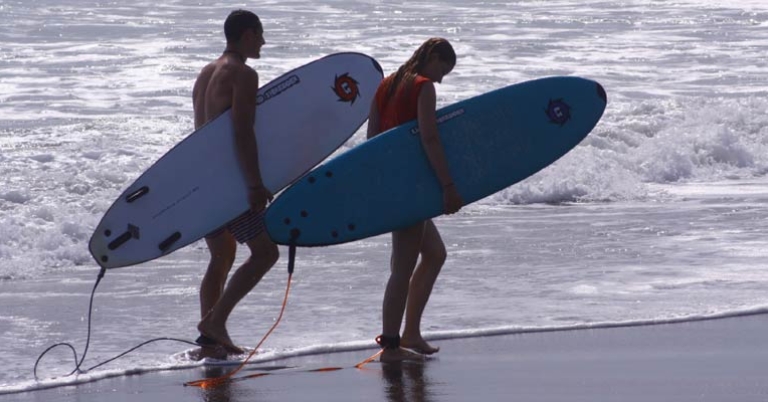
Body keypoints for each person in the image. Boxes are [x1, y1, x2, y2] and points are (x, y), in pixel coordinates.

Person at [366, 38, 463, 362]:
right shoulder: (422, 87)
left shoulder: (386, 86)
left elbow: (372, 140)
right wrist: (448, 185)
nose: (440, 79)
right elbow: (429, 136)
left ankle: (411, 333)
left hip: (393, 183)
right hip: (412, 187)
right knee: (402, 267)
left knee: (434, 254)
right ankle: (390, 346)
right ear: (432, 57)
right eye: (442, 70)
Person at [191, 9, 279, 359]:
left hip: (202, 180)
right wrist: (254, 184)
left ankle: (211, 344)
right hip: (228, 182)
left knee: (222, 255)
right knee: (266, 253)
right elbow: (241, 131)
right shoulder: (243, 74)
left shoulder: (205, 74)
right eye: (260, 34)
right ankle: (214, 323)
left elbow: (202, 134)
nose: (263, 41)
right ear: (246, 34)